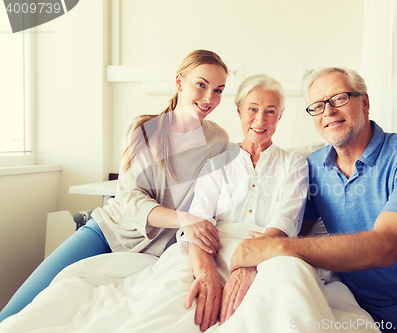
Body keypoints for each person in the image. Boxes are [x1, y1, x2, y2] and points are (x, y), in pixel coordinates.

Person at [230, 67, 397, 333]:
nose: (328, 111)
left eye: (339, 98)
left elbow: (385, 246)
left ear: (364, 102)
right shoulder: (311, 167)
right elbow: (289, 227)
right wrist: (254, 263)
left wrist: (275, 248)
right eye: (317, 106)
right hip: (362, 314)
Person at [0, 49, 231, 322]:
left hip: (159, 249)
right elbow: (131, 198)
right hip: (108, 231)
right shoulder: (144, 129)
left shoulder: (218, 138)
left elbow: (209, 198)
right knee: (20, 309)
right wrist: (184, 220)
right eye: (201, 85)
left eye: (218, 90)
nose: (209, 98)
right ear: (180, 82)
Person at [181, 73, 309, 331]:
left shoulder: (295, 165)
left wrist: (251, 261)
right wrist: (206, 273)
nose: (260, 120)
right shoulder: (216, 162)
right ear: (239, 111)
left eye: (270, 111)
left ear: (280, 117)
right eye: (253, 109)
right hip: (212, 249)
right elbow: (198, 223)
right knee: (182, 308)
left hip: (271, 252)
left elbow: (283, 224)